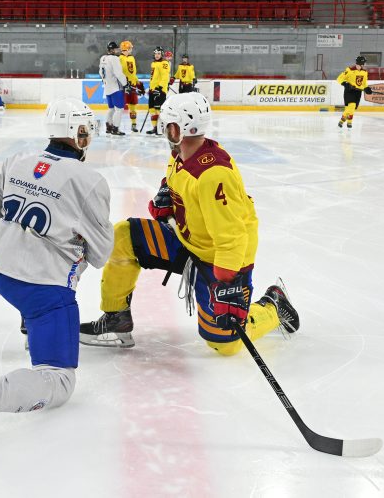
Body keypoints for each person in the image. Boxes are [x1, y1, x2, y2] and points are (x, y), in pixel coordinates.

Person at [0, 98, 114, 453]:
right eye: (85, 132)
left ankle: (32, 323)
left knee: (32, 289)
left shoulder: (18, 161)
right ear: (77, 133)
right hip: (42, 291)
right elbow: (100, 254)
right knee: (60, 381)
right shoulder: (90, 181)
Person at [79, 92, 299, 356]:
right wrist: (167, 197)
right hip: (186, 241)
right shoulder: (181, 154)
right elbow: (175, 180)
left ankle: (272, 306)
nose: (163, 130)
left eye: (166, 125)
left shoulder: (214, 175)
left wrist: (226, 281)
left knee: (225, 345)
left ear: (176, 129)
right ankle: (117, 320)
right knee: (123, 236)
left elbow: (233, 237)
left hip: (219, 260)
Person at [335, 56, 374, 129]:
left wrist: (367, 88)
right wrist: (346, 84)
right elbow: (339, 78)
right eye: (364, 63)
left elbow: (364, 83)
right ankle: (344, 121)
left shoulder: (364, 72)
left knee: (351, 108)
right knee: (352, 106)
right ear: (361, 63)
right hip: (349, 91)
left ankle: (346, 122)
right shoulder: (349, 70)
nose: (364, 64)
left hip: (358, 92)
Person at [99, 41, 127, 136]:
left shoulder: (103, 58)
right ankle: (115, 128)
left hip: (107, 88)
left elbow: (100, 72)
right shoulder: (114, 59)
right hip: (115, 88)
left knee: (111, 108)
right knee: (119, 109)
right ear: (112, 50)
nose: (117, 50)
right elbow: (118, 73)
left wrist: (105, 80)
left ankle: (109, 126)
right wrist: (125, 84)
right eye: (116, 49)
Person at [119, 40, 146, 133]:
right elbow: (119, 73)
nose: (131, 50)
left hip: (132, 84)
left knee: (133, 106)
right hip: (123, 85)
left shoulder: (131, 58)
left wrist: (138, 83)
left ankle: (133, 124)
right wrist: (124, 83)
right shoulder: (120, 59)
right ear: (126, 49)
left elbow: (133, 73)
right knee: (119, 107)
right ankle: (116, 126)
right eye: (130, 48)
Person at [145, 47, 171, 135]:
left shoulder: (164, 63)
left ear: (162, 54)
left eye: (159, 54)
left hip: (160, 90)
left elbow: (165, 77)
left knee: (158, 110)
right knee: (152, 109)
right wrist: (151, 88)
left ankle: (161, 128)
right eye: (155, 53)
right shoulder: (153, 63)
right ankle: (155, 128)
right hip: (152, 90)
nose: (157, 55)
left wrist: (159, 88)